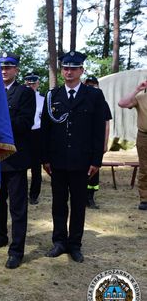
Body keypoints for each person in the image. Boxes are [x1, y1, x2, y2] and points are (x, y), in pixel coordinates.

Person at [41, 51, 106, 263]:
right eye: (66, 68)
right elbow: (46, 130)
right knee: (59, 203)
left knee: (78, 204)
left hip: (82, 161)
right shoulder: (52, 96)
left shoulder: (94, 95)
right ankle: (59, 242)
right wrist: (45, 158)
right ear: (61, 71)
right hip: (58, 161)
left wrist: (96, 161)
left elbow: (98, 131)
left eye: (74, 68)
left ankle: (75, 244)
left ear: (81, 70)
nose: (69, 72)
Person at [0, 53, 35, 269]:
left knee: (17, 206)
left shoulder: (24, 93)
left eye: (9, 67)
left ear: (16, 70)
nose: (4, 71)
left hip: (15, 158)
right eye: (1, 68)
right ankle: (0, 236)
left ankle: (17, 250)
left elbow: (25, 122)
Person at [117, 79, 147, 211]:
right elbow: (122, 103)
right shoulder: (140, 97)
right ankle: (145, 199)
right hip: (144, 136)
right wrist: (137, 89)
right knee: (145, 168)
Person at [84, 75, 112, 209]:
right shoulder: (80, 99)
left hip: (95, 143)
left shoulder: (101, 102)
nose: (91, 86)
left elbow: (106, 124)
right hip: (82, 143)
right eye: (88, 84)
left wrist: (105, 143)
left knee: (94, 170)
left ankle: (90, 197)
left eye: (93, 84)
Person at [24, 72, 45, 205]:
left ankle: (34, 195)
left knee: (36, 168)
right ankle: (22, 193)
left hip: (37, 134)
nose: (31, 85)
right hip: (24, 133)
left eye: (33, 83)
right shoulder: (21, 97)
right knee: (21, 166)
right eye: (29, 83)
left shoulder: (43, 99)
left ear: (38, 83)